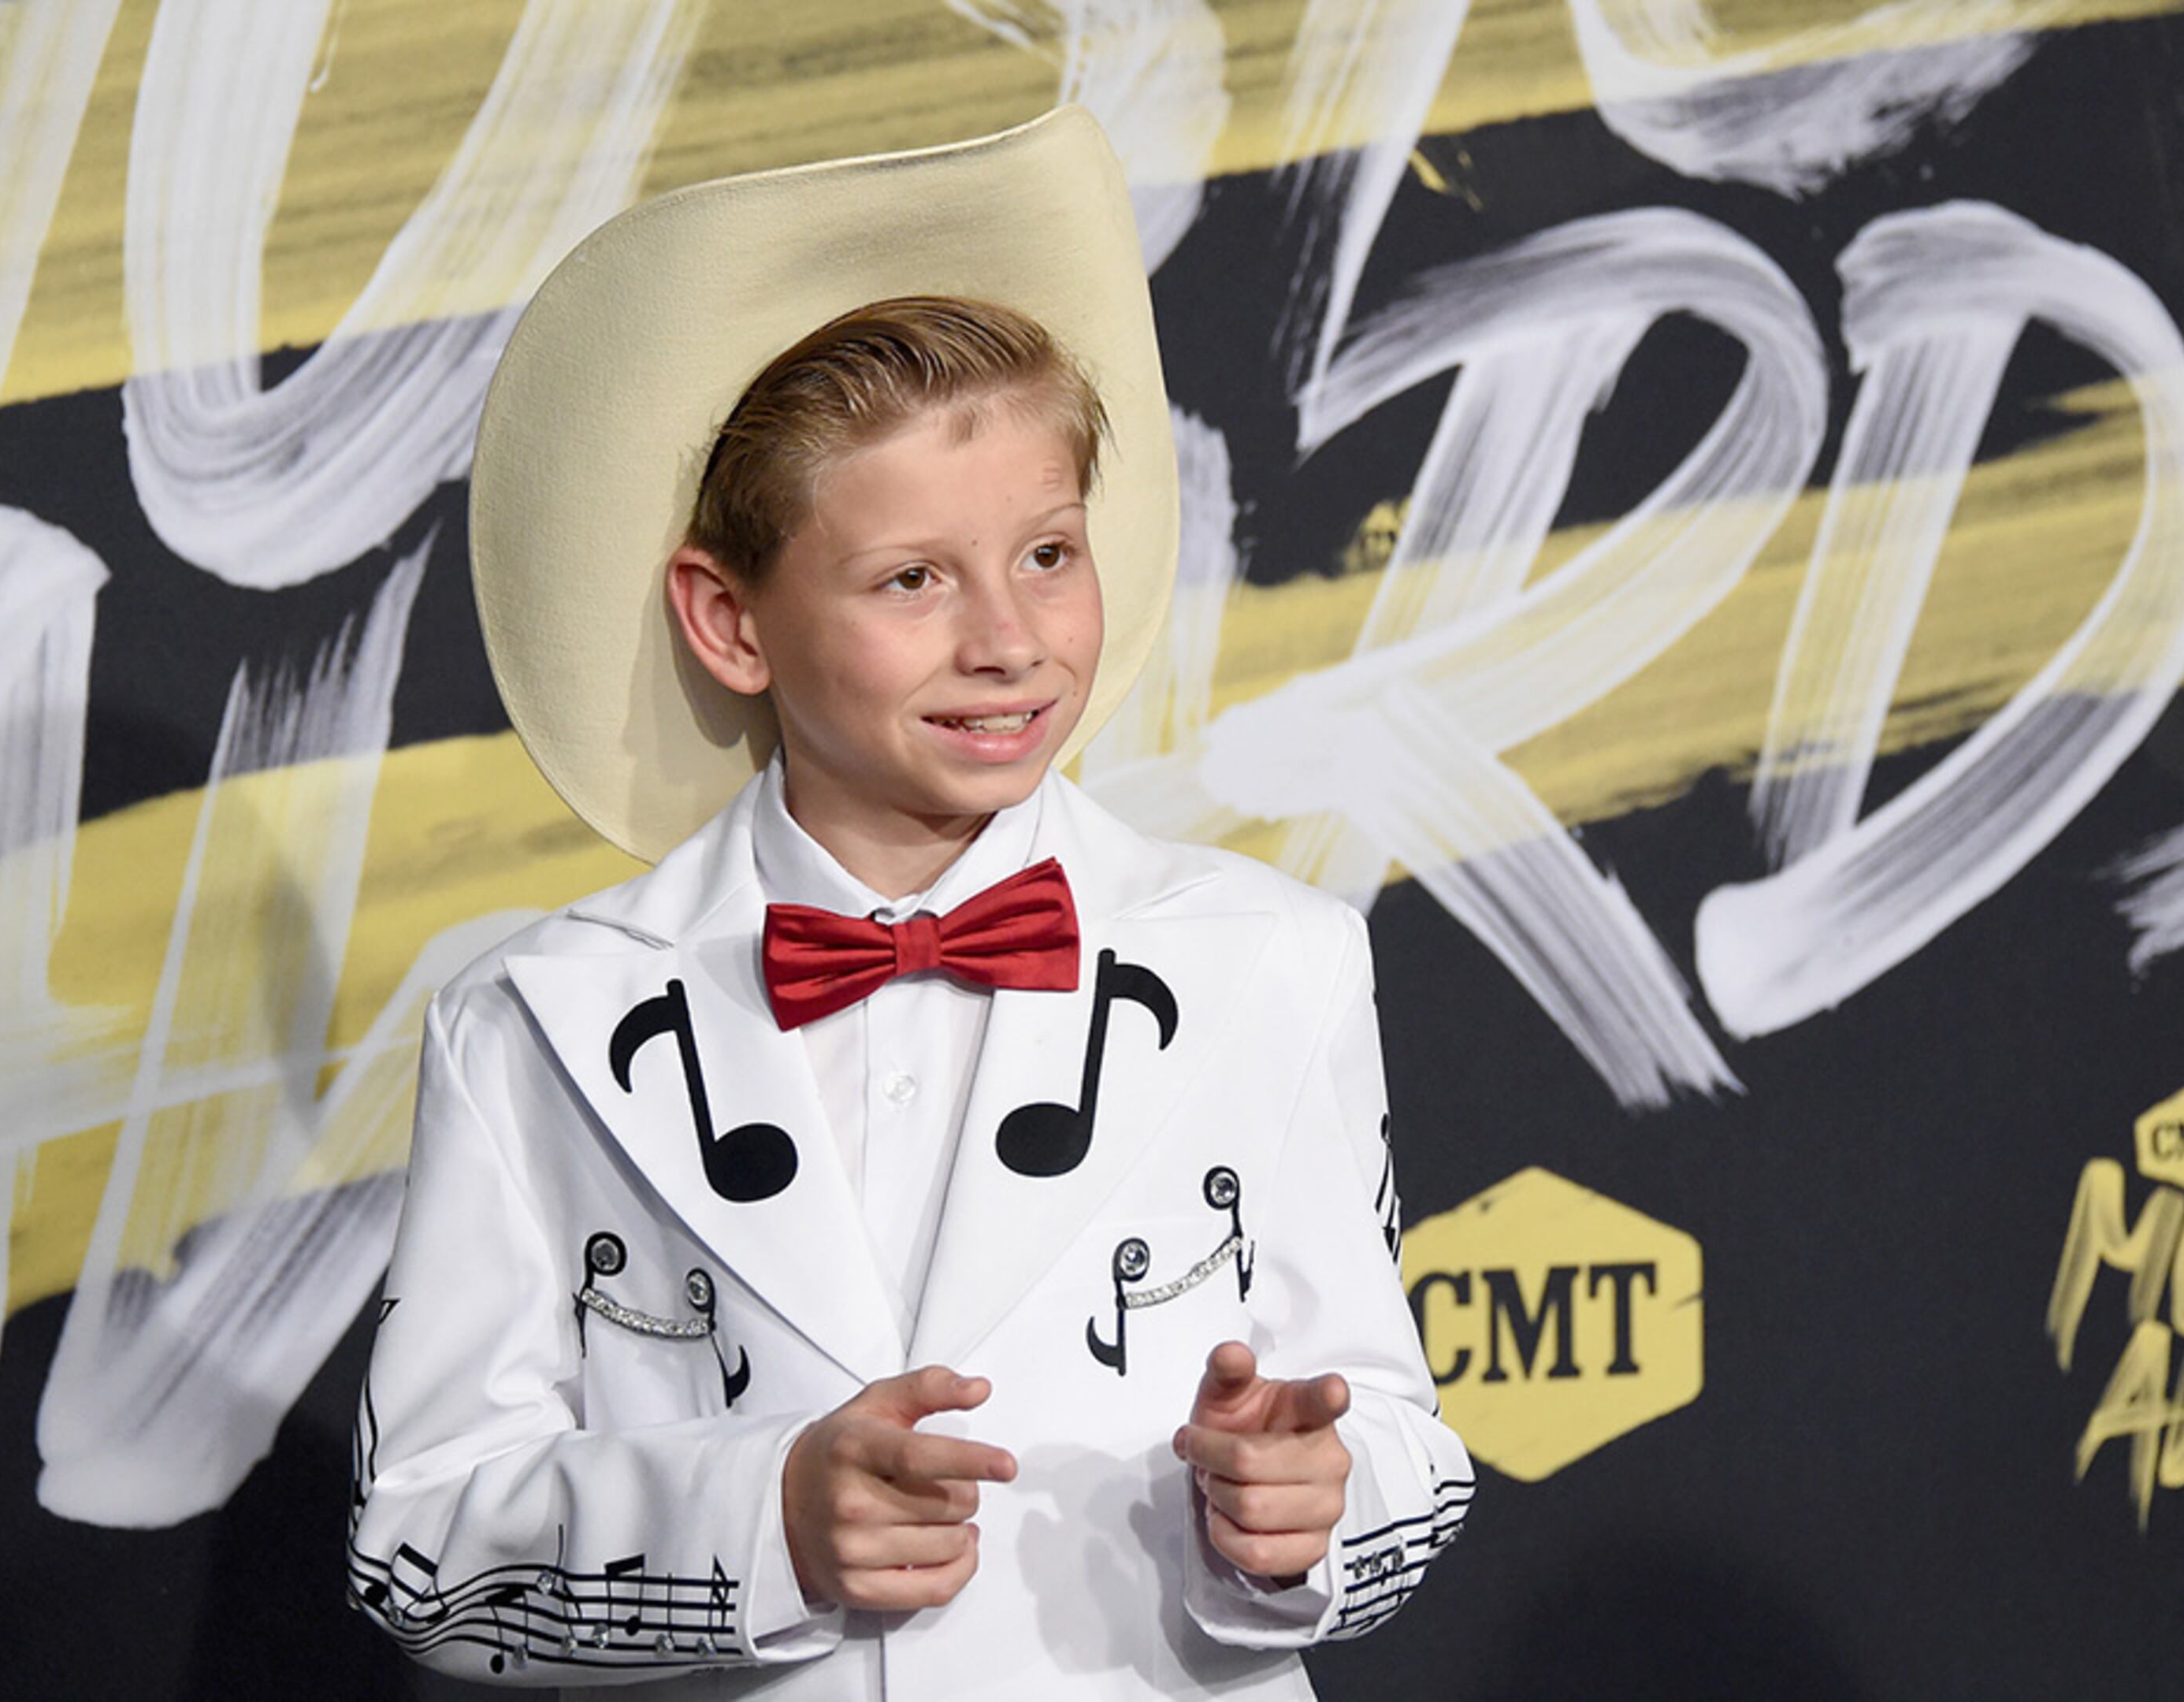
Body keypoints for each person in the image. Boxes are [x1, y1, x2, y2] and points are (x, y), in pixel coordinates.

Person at [346, 107, 1472, 1699]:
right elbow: (419, 1549)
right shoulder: (533, 1021)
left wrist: (1306, 1506)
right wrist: (761, 1527)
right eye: (913, 581)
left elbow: (1403, 1438)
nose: (1011, 640)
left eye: (1049, 553)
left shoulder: (1271, 966)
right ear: (730, 621)